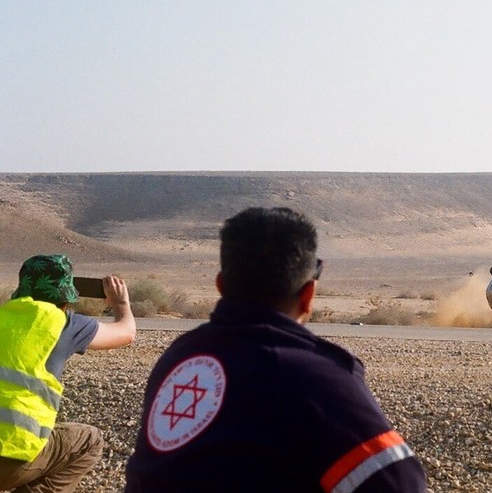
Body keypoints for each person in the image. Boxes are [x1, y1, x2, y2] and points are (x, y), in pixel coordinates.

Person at [124, 207, 427, 492]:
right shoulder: (315, 376)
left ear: (220, 285)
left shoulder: (178, 358)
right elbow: (400, 484)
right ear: (308, 295)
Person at [0, 254, 137, 493]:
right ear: (66, 298)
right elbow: (126, 332)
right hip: (12, 458)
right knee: (88, 441)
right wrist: (121, 304)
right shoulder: (64, 323)